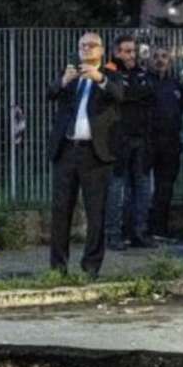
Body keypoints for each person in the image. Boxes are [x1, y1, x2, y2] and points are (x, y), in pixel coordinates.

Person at [46, 31, 123, 277]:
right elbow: (48, 94)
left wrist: (99, 78)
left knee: (96, 212)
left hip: (95, 154)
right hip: (67, 151)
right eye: (82, 46)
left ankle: (91, 267)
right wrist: (62, 82)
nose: (87, 49)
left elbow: (118, 95)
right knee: (60, 211)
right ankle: (58, 268)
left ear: (102, 51)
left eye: (92, 46)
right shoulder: (70, 73)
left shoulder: (110, 75)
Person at [105, 34, 155, 250]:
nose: (131, 55)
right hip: (118, 139)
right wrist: (133, 94)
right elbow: (121, 96)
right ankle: (113, 235)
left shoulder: (142, 73)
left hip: (141, 139)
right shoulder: (108, 72)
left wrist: (132, 94)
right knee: (117, 189)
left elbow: (148, 94)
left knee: (144, 188)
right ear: (116, 52)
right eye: (126, 51)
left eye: (133, 51)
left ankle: (139, 233)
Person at [147, 46, 183, 240]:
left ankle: (159, 230)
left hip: (170, 143)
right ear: (149, 60)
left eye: (164, 57)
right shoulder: (145, 82)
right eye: (155, 57)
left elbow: (181, 108)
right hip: (148, 143)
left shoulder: (177, 84)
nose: (160, 60)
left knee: (166, 187)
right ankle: (138, 229)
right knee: (142, 187)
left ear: (170, 61)